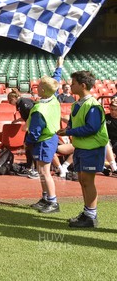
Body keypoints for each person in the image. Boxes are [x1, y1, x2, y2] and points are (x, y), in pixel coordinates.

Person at [58, 71, 109, 228]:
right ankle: (87, 213)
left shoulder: (92, 105)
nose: (69, 86)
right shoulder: (77, 104)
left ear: (83, 85)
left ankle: (91, 216)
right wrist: (68, 128)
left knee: (88, 181)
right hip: (81, 147)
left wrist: (69, 132)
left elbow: (92, 128)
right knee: (82, 180)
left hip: (92, 148)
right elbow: (75, 123)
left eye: (73, 83)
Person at [26, 75, 61, 214]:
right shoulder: (54, 98)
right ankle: (46, 198)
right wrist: (58, 67)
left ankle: (53, 201)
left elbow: (35, 131)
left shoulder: (39, 109)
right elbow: (55, 81)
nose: (37, 87)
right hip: (50, 138)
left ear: (43, 90)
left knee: (45, 172)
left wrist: (27, 142)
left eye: (39, 85)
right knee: (41, 171)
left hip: (43, 141)